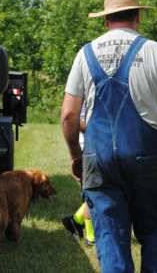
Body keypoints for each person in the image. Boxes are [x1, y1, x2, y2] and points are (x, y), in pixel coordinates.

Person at [61, 0, 157, 273]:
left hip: (98, 161)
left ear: (105, 20)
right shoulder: (156, 52)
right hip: (147, 158)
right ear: (138, 16)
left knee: (110, 235)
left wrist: (77, 156)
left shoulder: (84, 55)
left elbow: (68, 116)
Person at [62, 103, 95, 246]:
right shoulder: (83, 82)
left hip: (93, 144)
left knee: (97, 190)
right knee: (92, 194)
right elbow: (70, 116)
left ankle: (75, 221)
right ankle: (91, 237)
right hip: (88, 145)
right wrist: (97, 130)